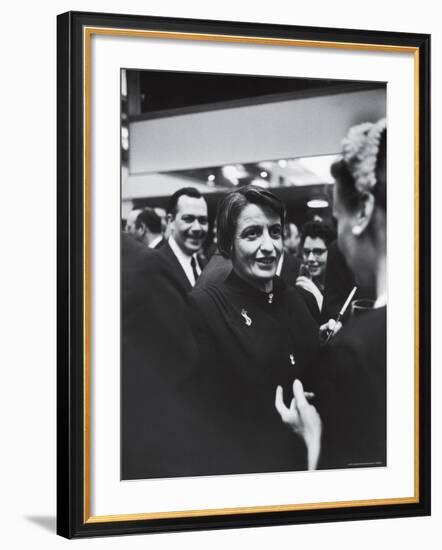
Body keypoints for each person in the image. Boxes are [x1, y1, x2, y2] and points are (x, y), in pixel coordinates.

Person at [275, 118, 387, 471]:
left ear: (363, 211)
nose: (338, 238)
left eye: (338, 219)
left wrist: (312, 433)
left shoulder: (357, 351)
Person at [187, 185, 320, 475]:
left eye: (275, 232)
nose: (269, 246)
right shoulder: (206, 308)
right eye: (252, 234)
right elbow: (203, 416)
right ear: (227, 243)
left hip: (309, 461)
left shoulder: (300, 299)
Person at [158, 187, 209, 292]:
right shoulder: (154, 266)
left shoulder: (205, 265)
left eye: (202, 220)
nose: (197, 228)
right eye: (188, 219)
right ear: (171, 221)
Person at [295, 220, 336, 312]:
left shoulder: (341, 285)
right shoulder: (300, 282)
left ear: (332, 251)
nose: (310, 258)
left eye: (318, 252)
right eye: (306, 252)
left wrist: (318, 298)